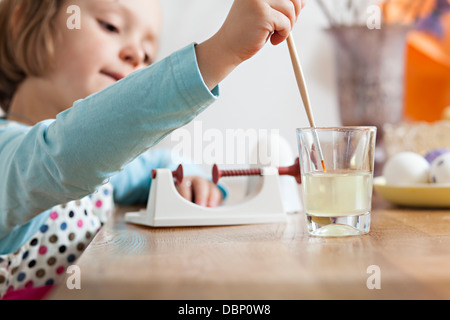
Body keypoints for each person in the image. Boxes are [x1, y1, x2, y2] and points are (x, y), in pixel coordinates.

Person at [0, 0, 304, 298]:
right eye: (111, 26)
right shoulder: (9, 154)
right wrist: (220, 52)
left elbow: (157, 163)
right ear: (25, 19)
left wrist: (192, 178)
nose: (136, 56)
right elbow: (66, 155)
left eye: (148, 54)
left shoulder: (108, 165)